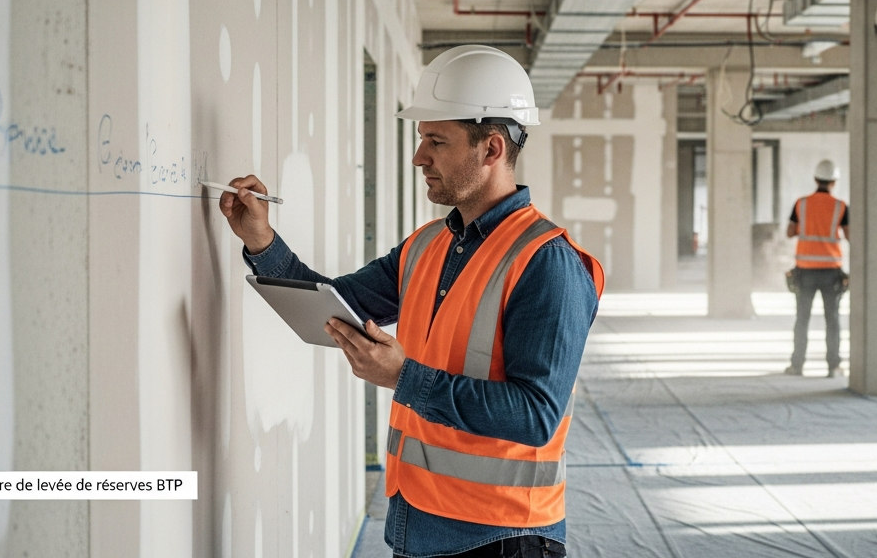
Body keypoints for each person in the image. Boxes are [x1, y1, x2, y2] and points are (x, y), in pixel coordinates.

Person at [219, 44, 602, 558]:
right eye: (422, 139)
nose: (419, 157)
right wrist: (263, 242)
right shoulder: (427, 246)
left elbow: (535, 417)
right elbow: (332, 307)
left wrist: (404, 377)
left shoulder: (547, 263)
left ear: (491, 149)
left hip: (503, 537)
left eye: (436, 141)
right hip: (416, 523)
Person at [784, 159, 849, 378]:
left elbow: (790, 231)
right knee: (833, 320)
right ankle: (833, 367)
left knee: (802, 319)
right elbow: (851, 236)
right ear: (834, 181)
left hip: (805, 270)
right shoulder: (840, 206)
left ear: (815, 179)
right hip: (831, 271)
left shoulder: (801, 204)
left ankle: (797, 365)